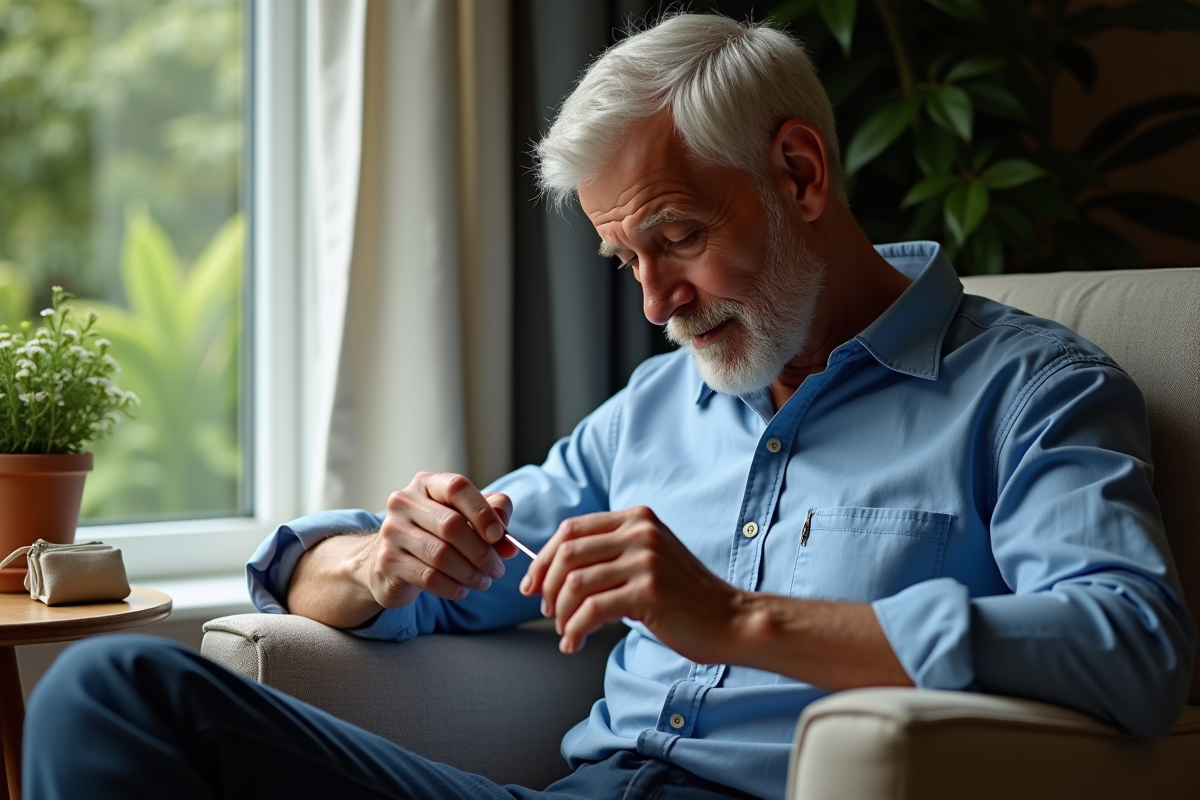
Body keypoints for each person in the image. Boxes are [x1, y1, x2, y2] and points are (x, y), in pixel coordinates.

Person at [24, 13, 1194, 800]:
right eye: (622, 259)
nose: (656, 301)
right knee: (111, 687)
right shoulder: (653, 409)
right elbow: (386, 581)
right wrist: (387, 561)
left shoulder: (1032, 392)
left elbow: (1131, 642)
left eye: (677, 238)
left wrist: (739, 618)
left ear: (798, 173)